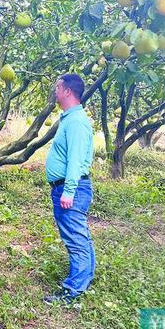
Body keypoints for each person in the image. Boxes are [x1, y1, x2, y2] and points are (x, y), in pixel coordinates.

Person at [43, 74, 95, 305]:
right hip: (67, 185)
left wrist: (69, 190)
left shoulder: (75, 122)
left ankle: (73, 291)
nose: (55, 91)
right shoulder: (70, 119)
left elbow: (75, 160)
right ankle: (84, 279)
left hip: (70, 186)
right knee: (80, 236)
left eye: (57, 87)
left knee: (75, 239)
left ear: (67, 91)